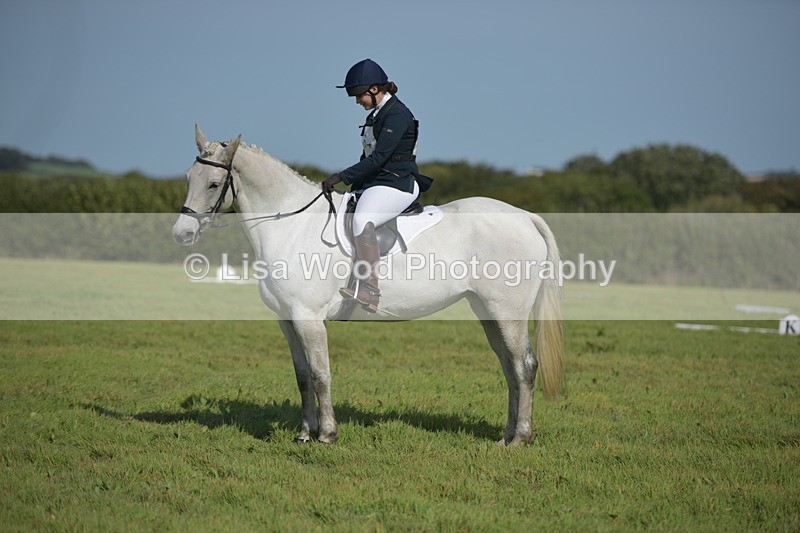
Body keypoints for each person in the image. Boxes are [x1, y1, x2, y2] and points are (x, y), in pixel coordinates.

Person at [323, 59, 432, 313]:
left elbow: (380, 158)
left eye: (358, 95)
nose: (357, 101)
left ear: (374, 89)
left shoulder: (397, 114)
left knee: (363, 219)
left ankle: (370, 289)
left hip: (397, 183)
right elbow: (368, 157)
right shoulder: (376, 115)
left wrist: (342, 176)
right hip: (378, 183)